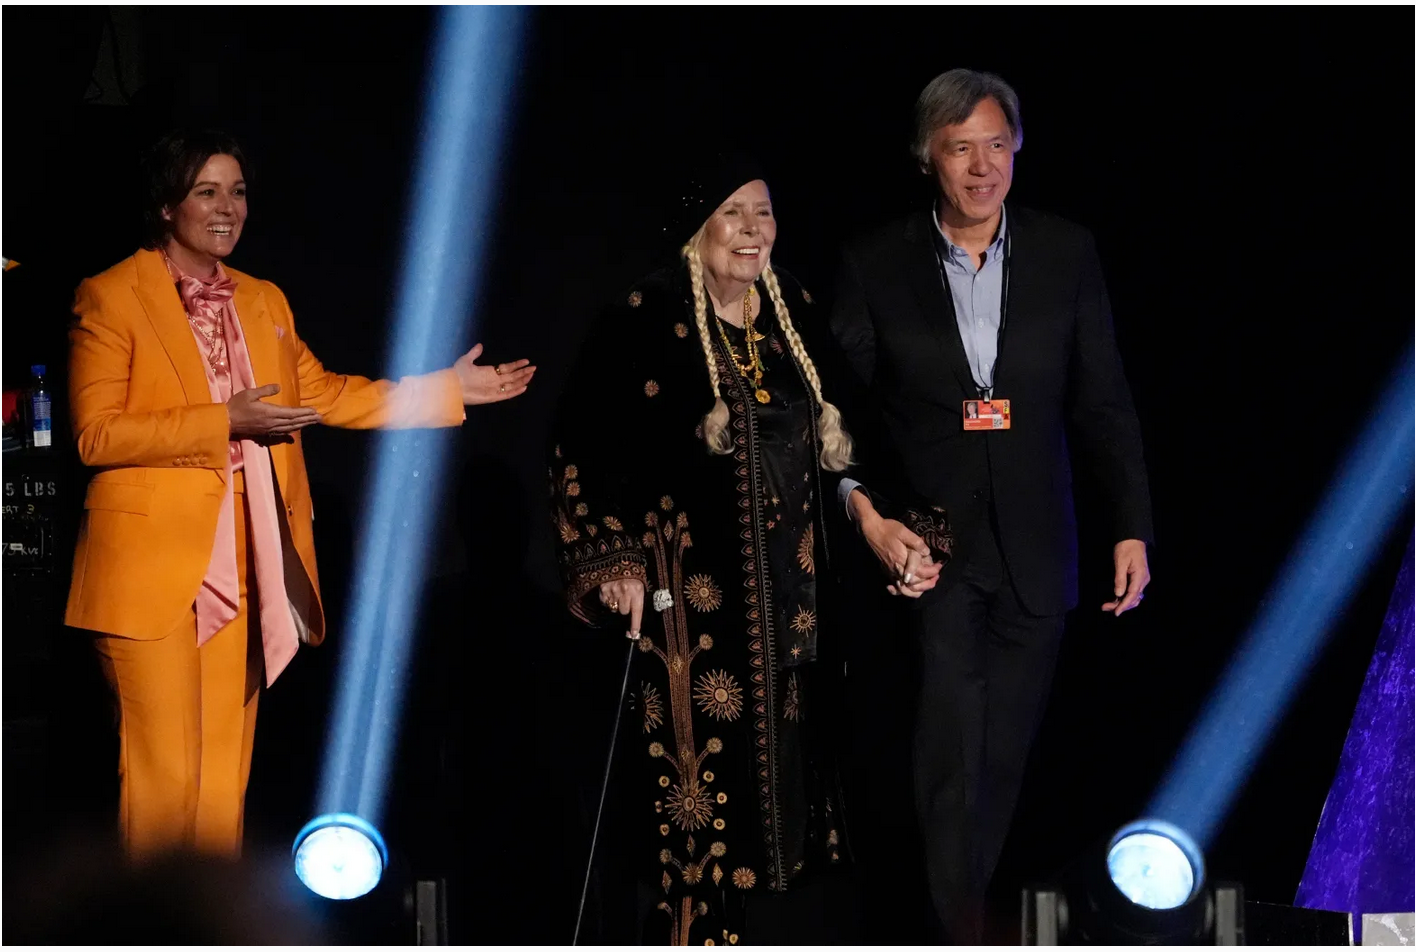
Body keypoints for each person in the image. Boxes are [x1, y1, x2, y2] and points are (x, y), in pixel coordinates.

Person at [65, 129, 535, 861]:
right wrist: (228, 420)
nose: (228, 208)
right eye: (207, 192)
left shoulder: (263, 300)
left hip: (244, 571)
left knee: (222, 792)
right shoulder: (111, 295)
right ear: (166, 207)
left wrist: (444, 390)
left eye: (239, 191)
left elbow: (325, 395)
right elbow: (97, 436)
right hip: (151, 575)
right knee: (162, 791)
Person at [550, 157, 917, 945]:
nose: (753, 232)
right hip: (689, 603)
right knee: (694, 791)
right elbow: (584, 440)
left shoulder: (796, 318)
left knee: (786, 800)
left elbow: (860, 437)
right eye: (734, 214)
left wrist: (889, 520)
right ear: (697, 228)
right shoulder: (644, 316)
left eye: (765, 214)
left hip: (794, 605)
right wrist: (612, 558)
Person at [829, 69, 1154, 942]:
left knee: (1001, 761)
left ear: (1018, 150)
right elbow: (839, 413)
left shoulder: (1066, 251)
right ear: (928, 158)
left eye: (996, 146)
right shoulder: (875, 262)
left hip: (1039, 545)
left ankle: (956, 920)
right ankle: (952, 930)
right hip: (929, 549)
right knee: (945, 754)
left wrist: (1131, 524)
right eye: (960, 148)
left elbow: (1104, 400)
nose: (982, 168)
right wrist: (866, 509)